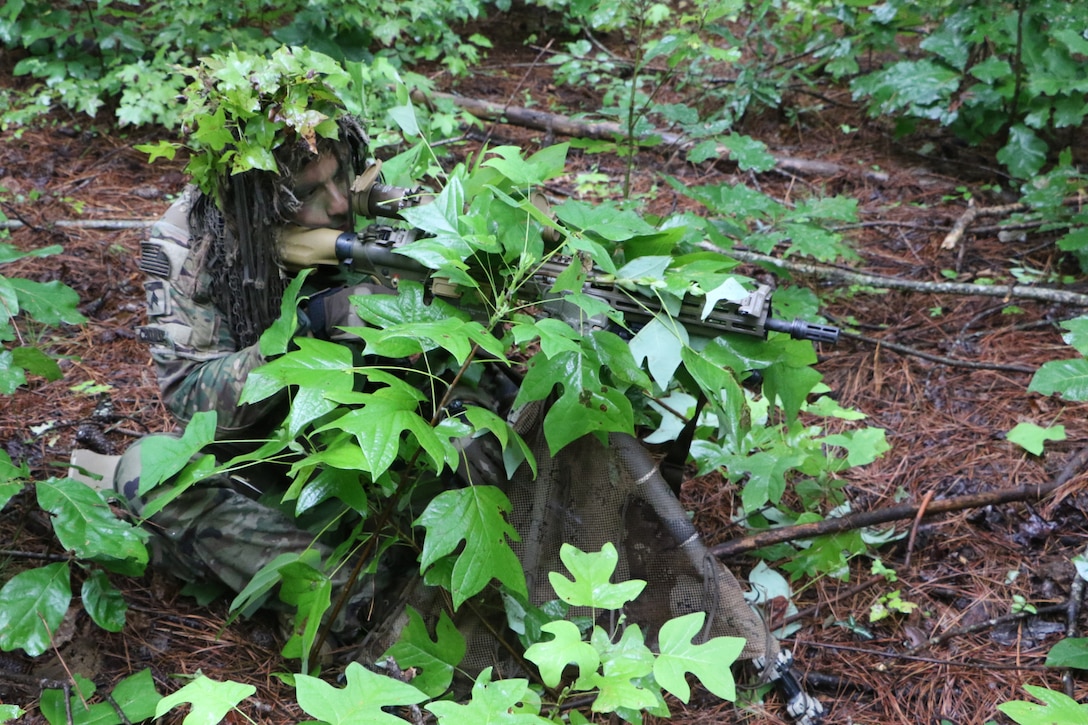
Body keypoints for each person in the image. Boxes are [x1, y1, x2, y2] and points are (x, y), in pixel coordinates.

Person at [115, 48, 823, 724]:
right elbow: (193, 405)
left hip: (402, 437)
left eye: (342, 176)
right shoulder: (187, 245)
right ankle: (342, 605)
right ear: (255, 195)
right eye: (307, 194)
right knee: (148, 470)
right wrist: (321, 323)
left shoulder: (370, 199)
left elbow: (483, 268)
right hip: (278, 455)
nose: (337, 204)